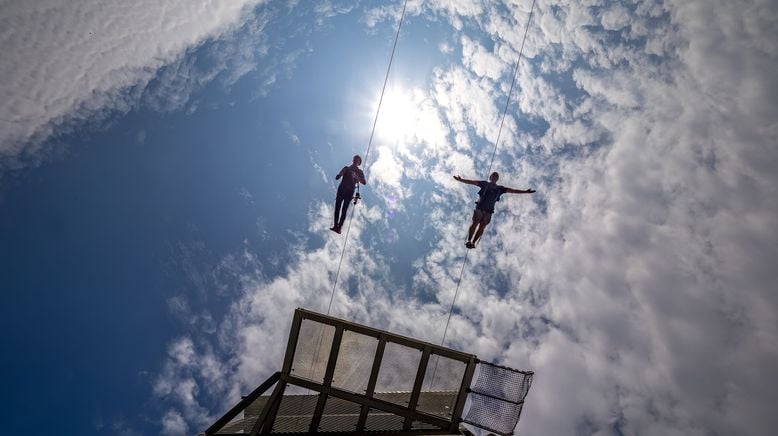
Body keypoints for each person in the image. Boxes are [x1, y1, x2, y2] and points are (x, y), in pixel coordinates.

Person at [453, 172, 535, 248]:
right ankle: (469, 240)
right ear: (490, 177)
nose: (495, 177)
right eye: (493, 176)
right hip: (480, 207)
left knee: (482, 226)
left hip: (489, 210)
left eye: (496, 176)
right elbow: (472, 182)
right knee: (475, 222)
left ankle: (473, 242)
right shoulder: (484, 183)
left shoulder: (500, 188)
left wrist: (525, 192)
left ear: (497, 179)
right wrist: (461, 180)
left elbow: (513, 190)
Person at [331, 155, 367, 233]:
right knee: (337, 208)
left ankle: (339, 227)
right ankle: (335, 226)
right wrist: (339, 175)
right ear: (353, 160)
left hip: (349, 192)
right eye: (354, 159)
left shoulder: (360, 172)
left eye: (357, 160)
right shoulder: (347, 168)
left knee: (344, 210)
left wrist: (358, 178)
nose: (355, 161)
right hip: (342, 189)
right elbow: (342, 172)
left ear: (359, 163)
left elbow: (364, 182)